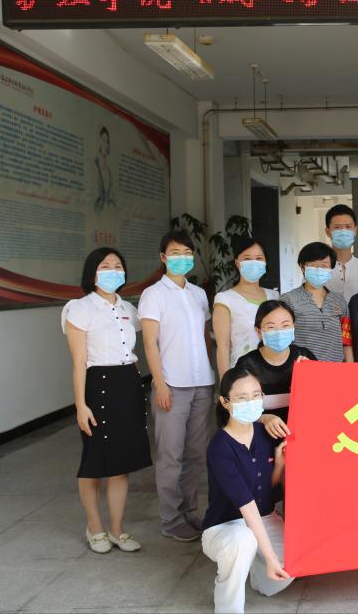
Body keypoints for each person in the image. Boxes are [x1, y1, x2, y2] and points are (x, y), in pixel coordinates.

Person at [62, 247, 151, 554]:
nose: (113, 271)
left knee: (122, 463)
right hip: (97, 385)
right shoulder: (79, 308)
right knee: (94, 460)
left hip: (128, 384)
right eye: (105, 266)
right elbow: (78, 362)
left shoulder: (129, 309)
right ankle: (95, 527)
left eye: (117, 266)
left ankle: (117, 529)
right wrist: (80, 405)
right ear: (92, 272)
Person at [139, 230, 215, 542]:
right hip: (171, 384)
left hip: (202, 383)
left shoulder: (198, 294)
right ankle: (170, 519)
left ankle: (189, 511)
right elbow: (149, 342)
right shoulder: (153, 294)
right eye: (175, 252)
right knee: (171, 455)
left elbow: (206, 338)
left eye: (187, 252)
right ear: (163, 257)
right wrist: (159, 384)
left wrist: (214, 374)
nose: (181, 257)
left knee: (196, 454)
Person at [201, 368, 293, 614]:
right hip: (226, 525)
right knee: (243, 540)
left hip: (264, 517)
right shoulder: (220, 447)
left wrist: (279, 463)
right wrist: (270, 558)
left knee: (293, 564)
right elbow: (247, 505)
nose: (251, 402)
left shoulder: (264, 434)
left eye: (255, 395)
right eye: (242, 398)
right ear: (225, 402)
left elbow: (265, 488)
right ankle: (228, 607)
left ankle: (254, 570)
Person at [234, 300, 315, 435]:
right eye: (271, 327)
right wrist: (262, 419)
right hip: (260, 434)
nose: (279, 332)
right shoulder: (247, 364)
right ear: (259, 332)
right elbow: (237, 408)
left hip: (301, 432)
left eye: (285, 325)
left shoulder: (304, 355)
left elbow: (324, 399)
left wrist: (313, 375)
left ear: (293, 327)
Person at [213, 238, 280, 377]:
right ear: (237, 263)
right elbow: (223, 347)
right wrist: (226, 382)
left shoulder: (275, 296)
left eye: (259, 258)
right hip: (242, 375)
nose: (254, 263)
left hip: (275, 373)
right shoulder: (225, 299)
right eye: (247, 258)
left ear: (265, 262)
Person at [281, 242, 350, 363]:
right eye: (313, 265)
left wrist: (351, 368)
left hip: (336, 370)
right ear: (302, 267)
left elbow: (346, 340)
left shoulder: (339, 300)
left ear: (331, 268)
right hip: (303, 369)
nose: (319, 269)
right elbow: (282, 341)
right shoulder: (288, 300)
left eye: (324, 265)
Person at [324, 204, 358, 300]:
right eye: (337, 227)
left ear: (355, 230)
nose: (343, 231)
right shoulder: (318, 269)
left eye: (348, 227)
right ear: (328, 232)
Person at [93, 127, 115, 212]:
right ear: (99, 142)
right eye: (103, 140)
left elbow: (110, 198)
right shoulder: (94, 166)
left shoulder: (109, 172)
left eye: (107, 141)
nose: (106, 144)